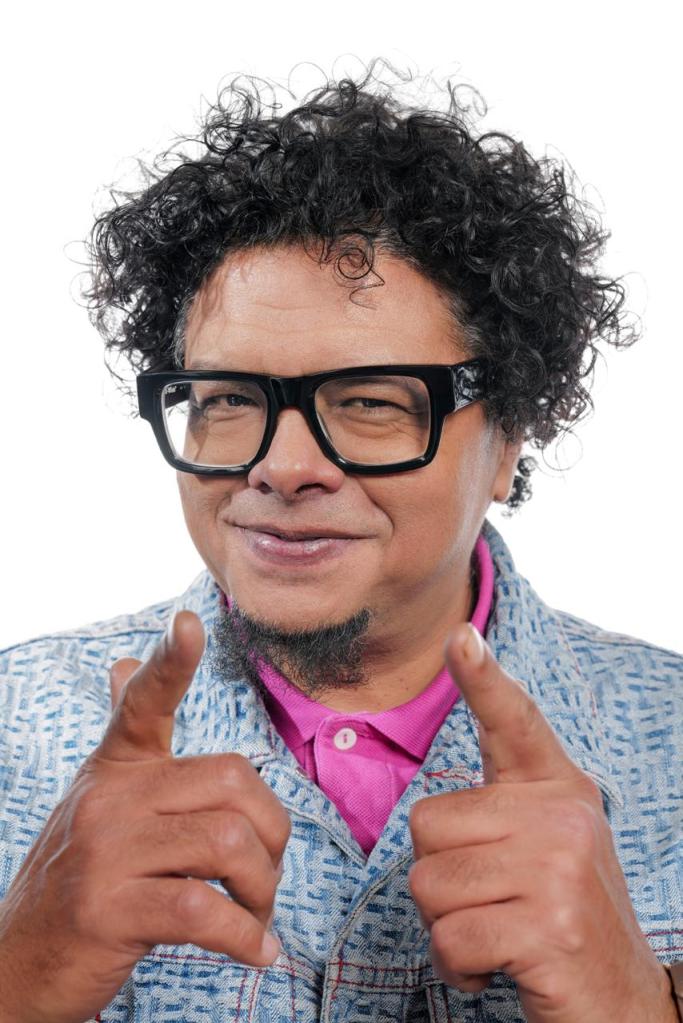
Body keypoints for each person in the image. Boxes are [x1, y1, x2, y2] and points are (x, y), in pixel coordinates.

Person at [0, 59, 681, 1023]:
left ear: (508, 439)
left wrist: (635, 1003)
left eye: (368, 401)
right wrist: (21, 974)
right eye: (229, 399)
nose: (281, 467)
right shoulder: (14, 728)